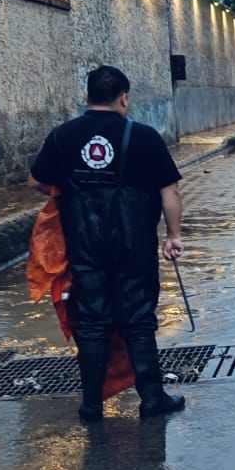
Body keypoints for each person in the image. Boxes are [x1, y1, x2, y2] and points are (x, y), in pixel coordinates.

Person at [30, 66, 187, 420]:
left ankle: (91, 405)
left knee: (91, 321)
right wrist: (173, 236)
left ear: (86, 96)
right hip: (134, 244)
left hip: (84, 244)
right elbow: (170, 191)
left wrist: (72, 195)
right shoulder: (144, 136)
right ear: (124, 98)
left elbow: (36, 181)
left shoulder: (62, 136)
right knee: (139, 318)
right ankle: (152, 398)